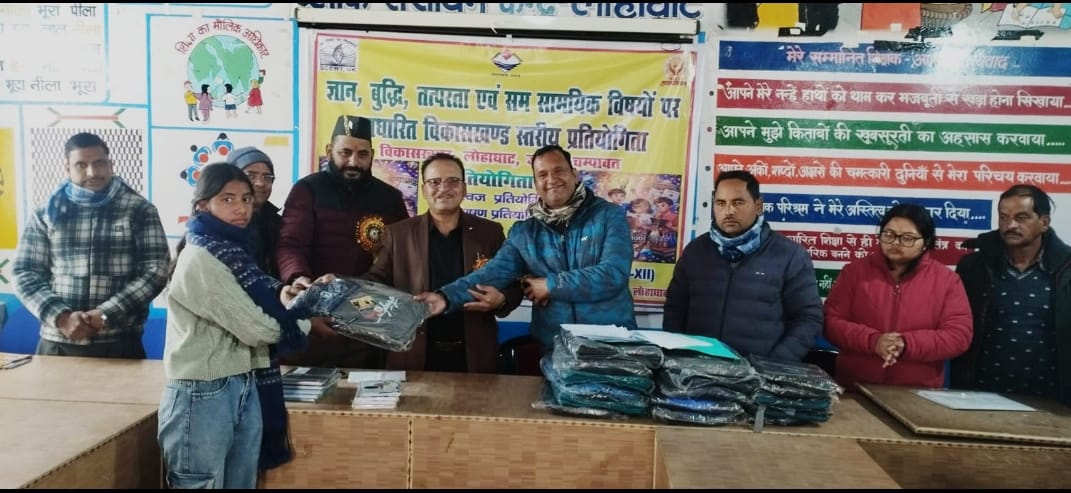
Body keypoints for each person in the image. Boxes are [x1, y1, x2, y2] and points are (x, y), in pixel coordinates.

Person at [159, 163, 311, 489]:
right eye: (227, 199)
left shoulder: (234, 253)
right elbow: (256, 328)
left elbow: (262, 297)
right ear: (203, 205)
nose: (241, 208)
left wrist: (287, 295)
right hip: (202, 392)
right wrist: (305, 318)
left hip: (241, 381)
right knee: (201, 483)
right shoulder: (201, 258)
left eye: (246, 199)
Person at [417, 144, 637, 352]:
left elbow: (613, 274)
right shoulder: (525, 232)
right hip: (556, 350)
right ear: (535, 182)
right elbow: (492, 273)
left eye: (559, 170)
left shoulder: (608, 216)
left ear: (574, 174)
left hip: (611, 347)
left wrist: (550, 285)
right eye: (542, 174)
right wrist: (446, 297)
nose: (551, 179)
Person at [358, 153, 523, 372]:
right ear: (424, 190)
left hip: (475, 355)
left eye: (453, 181)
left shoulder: (489, 232)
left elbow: (513, 284)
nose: (444, 188)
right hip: (413, 352)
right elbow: (376, 280)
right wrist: (344, 289)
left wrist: (501, 300)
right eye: (435, 182)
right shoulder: (399, 234)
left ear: (464, 188)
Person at [13, 132, 170, 359]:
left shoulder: (139, 210)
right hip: (58, 342)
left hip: (119, 343)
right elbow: (25, 272)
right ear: (67, 168)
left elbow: (156, 270)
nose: (92, 172)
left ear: (110, 165)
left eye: (99, 163)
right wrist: (61, 317)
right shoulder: (47, 212)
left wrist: (106, 314)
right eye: (81, 165)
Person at [276, 115, 409, 368]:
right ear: (329, 151)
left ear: (372, 155)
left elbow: (400, 254)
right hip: (316, 314)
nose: (353, 162)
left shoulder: (390, 198)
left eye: (362, 154)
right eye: (345, 152)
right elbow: (290, 243)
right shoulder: (308, 190)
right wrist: (297, 277)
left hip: (369, 318)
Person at [663, 170, 822, 361]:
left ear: (758, 206)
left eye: (738, 202)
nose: (729, 211)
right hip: (698, 369)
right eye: (721, 203)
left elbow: (808, 318)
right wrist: (681, 356)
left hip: (760, 373)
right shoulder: (695, 252)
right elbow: (675, 310)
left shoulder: (789, 255)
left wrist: (774, 363)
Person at [824, 204, 973, 390]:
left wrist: (906, 344)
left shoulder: (947, 281)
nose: (895, 243)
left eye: (907, 238)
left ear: (926, 242)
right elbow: (831, 322)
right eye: (889, 234)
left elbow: (959, 336)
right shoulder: (854, 272)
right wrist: (873, 341)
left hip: (918, 392)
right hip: (856, 387)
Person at [954, 184, 1070, 404]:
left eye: (1021, 217)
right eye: (1004, 217)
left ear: (1044, 222)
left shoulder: (1066, 269)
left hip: (1052, 402)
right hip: (978, 397)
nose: (1011, 225)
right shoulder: (974, 266)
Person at [226, 146, 281, 277]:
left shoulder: (278, 224)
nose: (260, 183)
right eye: (251, 176)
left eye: (267, 177)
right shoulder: (220, 224)